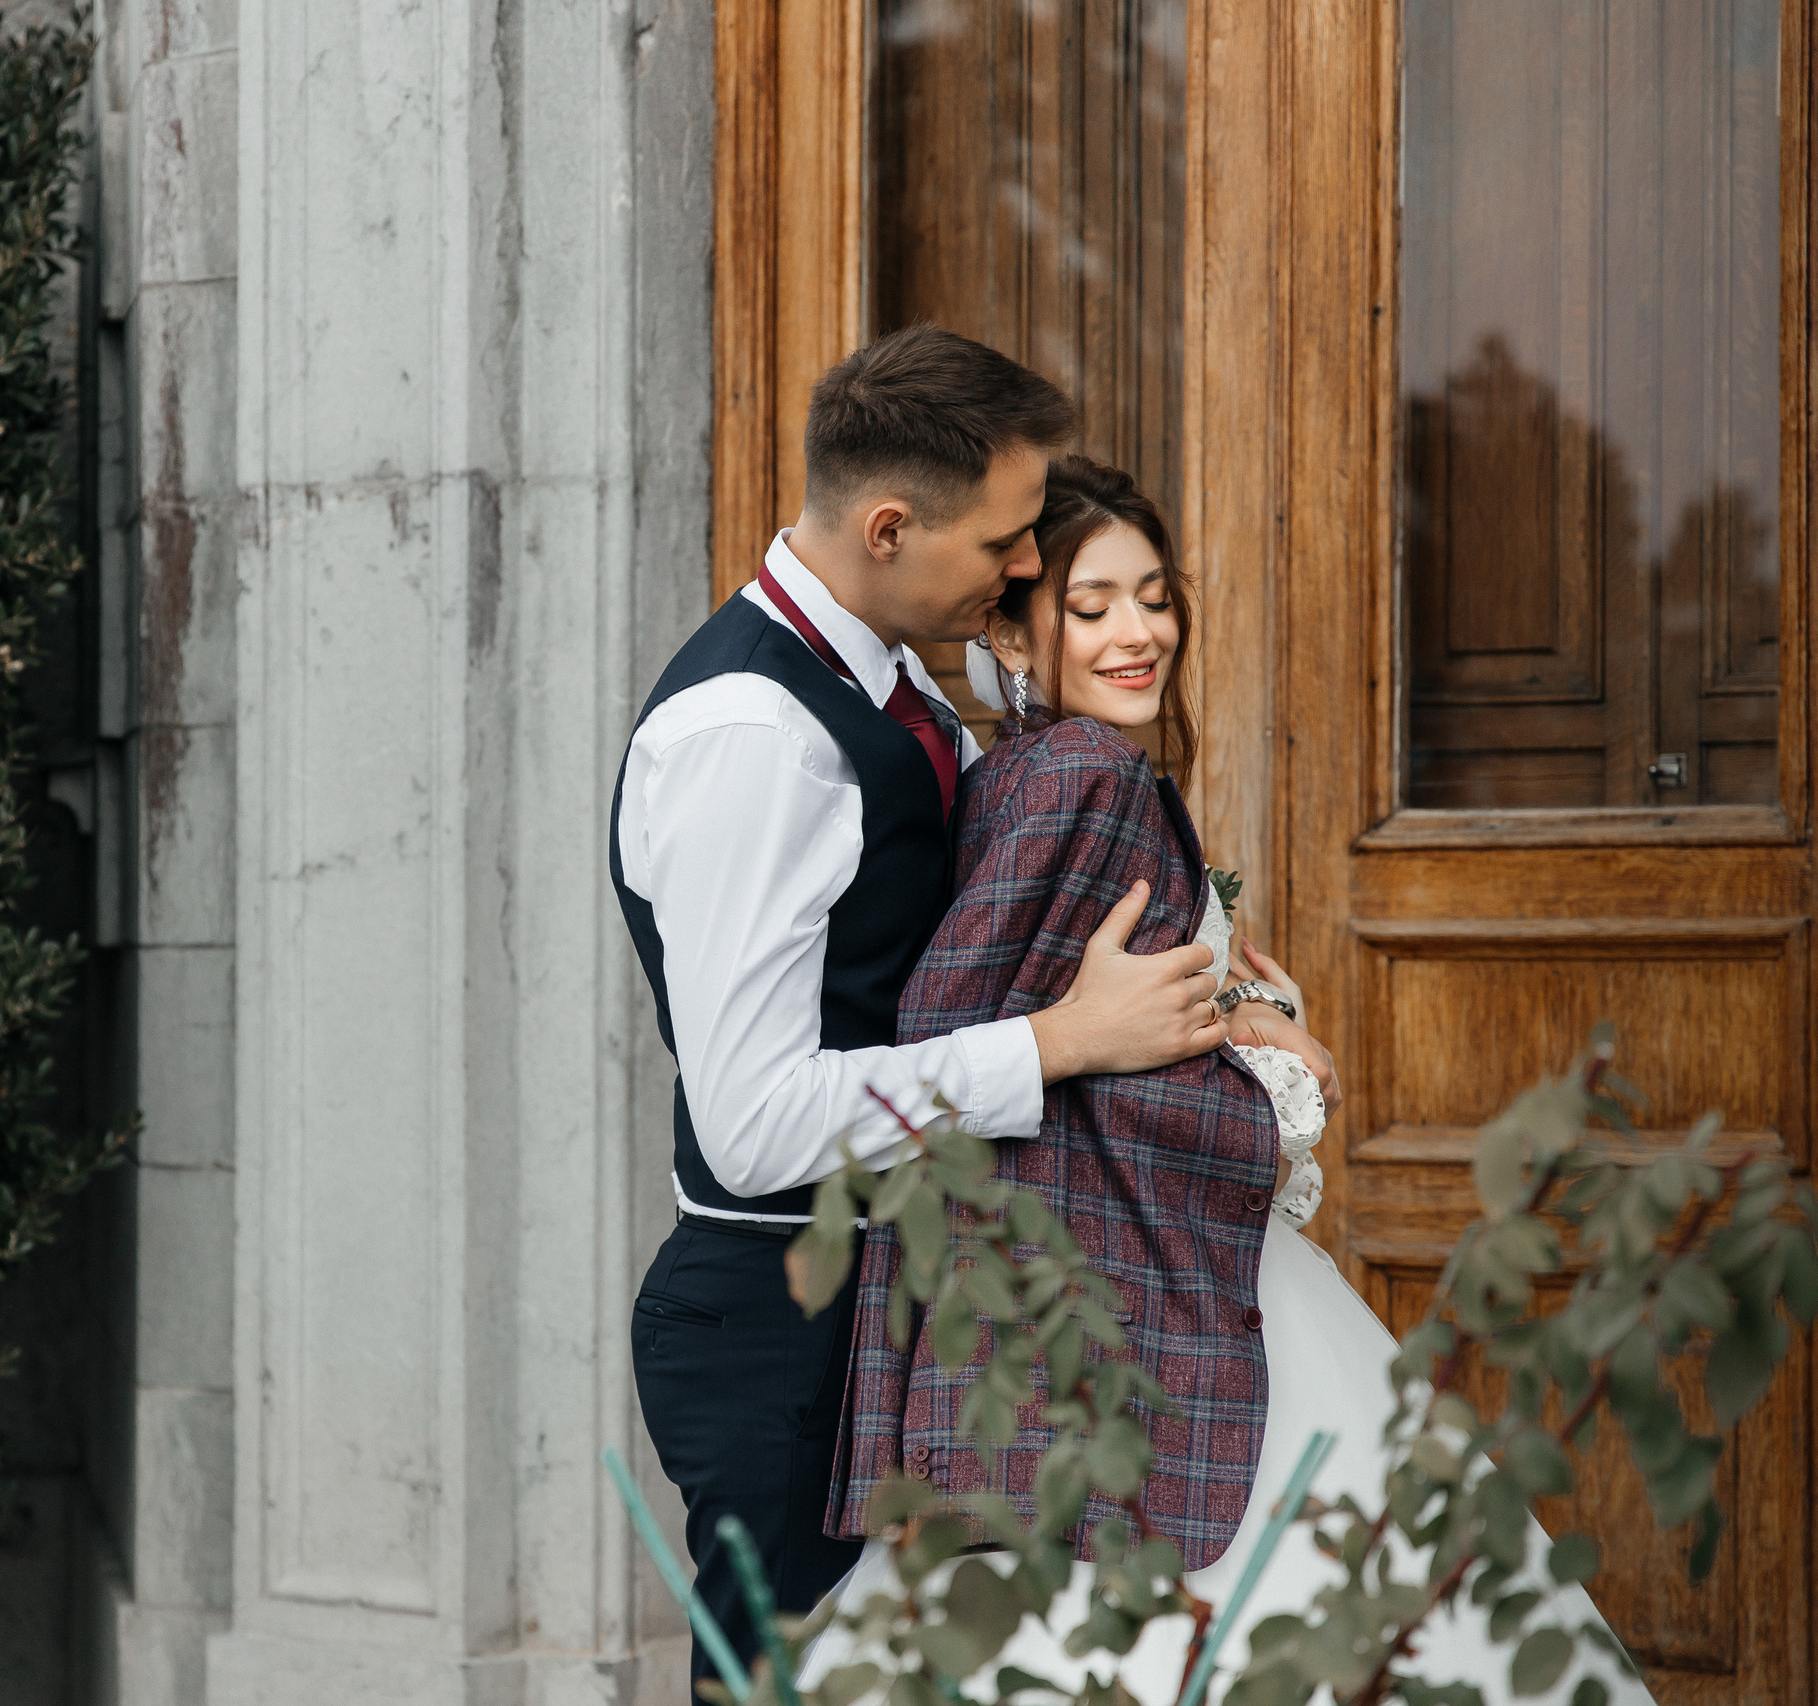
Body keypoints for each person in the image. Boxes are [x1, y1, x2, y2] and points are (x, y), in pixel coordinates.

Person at [811, 457, 1651, 1706]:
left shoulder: (1055, 773)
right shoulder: (1079, 778)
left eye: (1154, 595)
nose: (1139, 630)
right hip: (1143, 1303)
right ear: (1014, 627)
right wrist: (1244, 1051)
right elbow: (964, 1023)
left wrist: (1230, 1002)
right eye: (1092, 604)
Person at [613, 328, 1258, 1697]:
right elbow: (752, 1124)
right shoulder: (755, 739)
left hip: (902, 1313)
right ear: (891, 525)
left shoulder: (897, 686)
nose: (1028, 568)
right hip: (781, 1333)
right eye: (1007, 542)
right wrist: (1063, 1043)